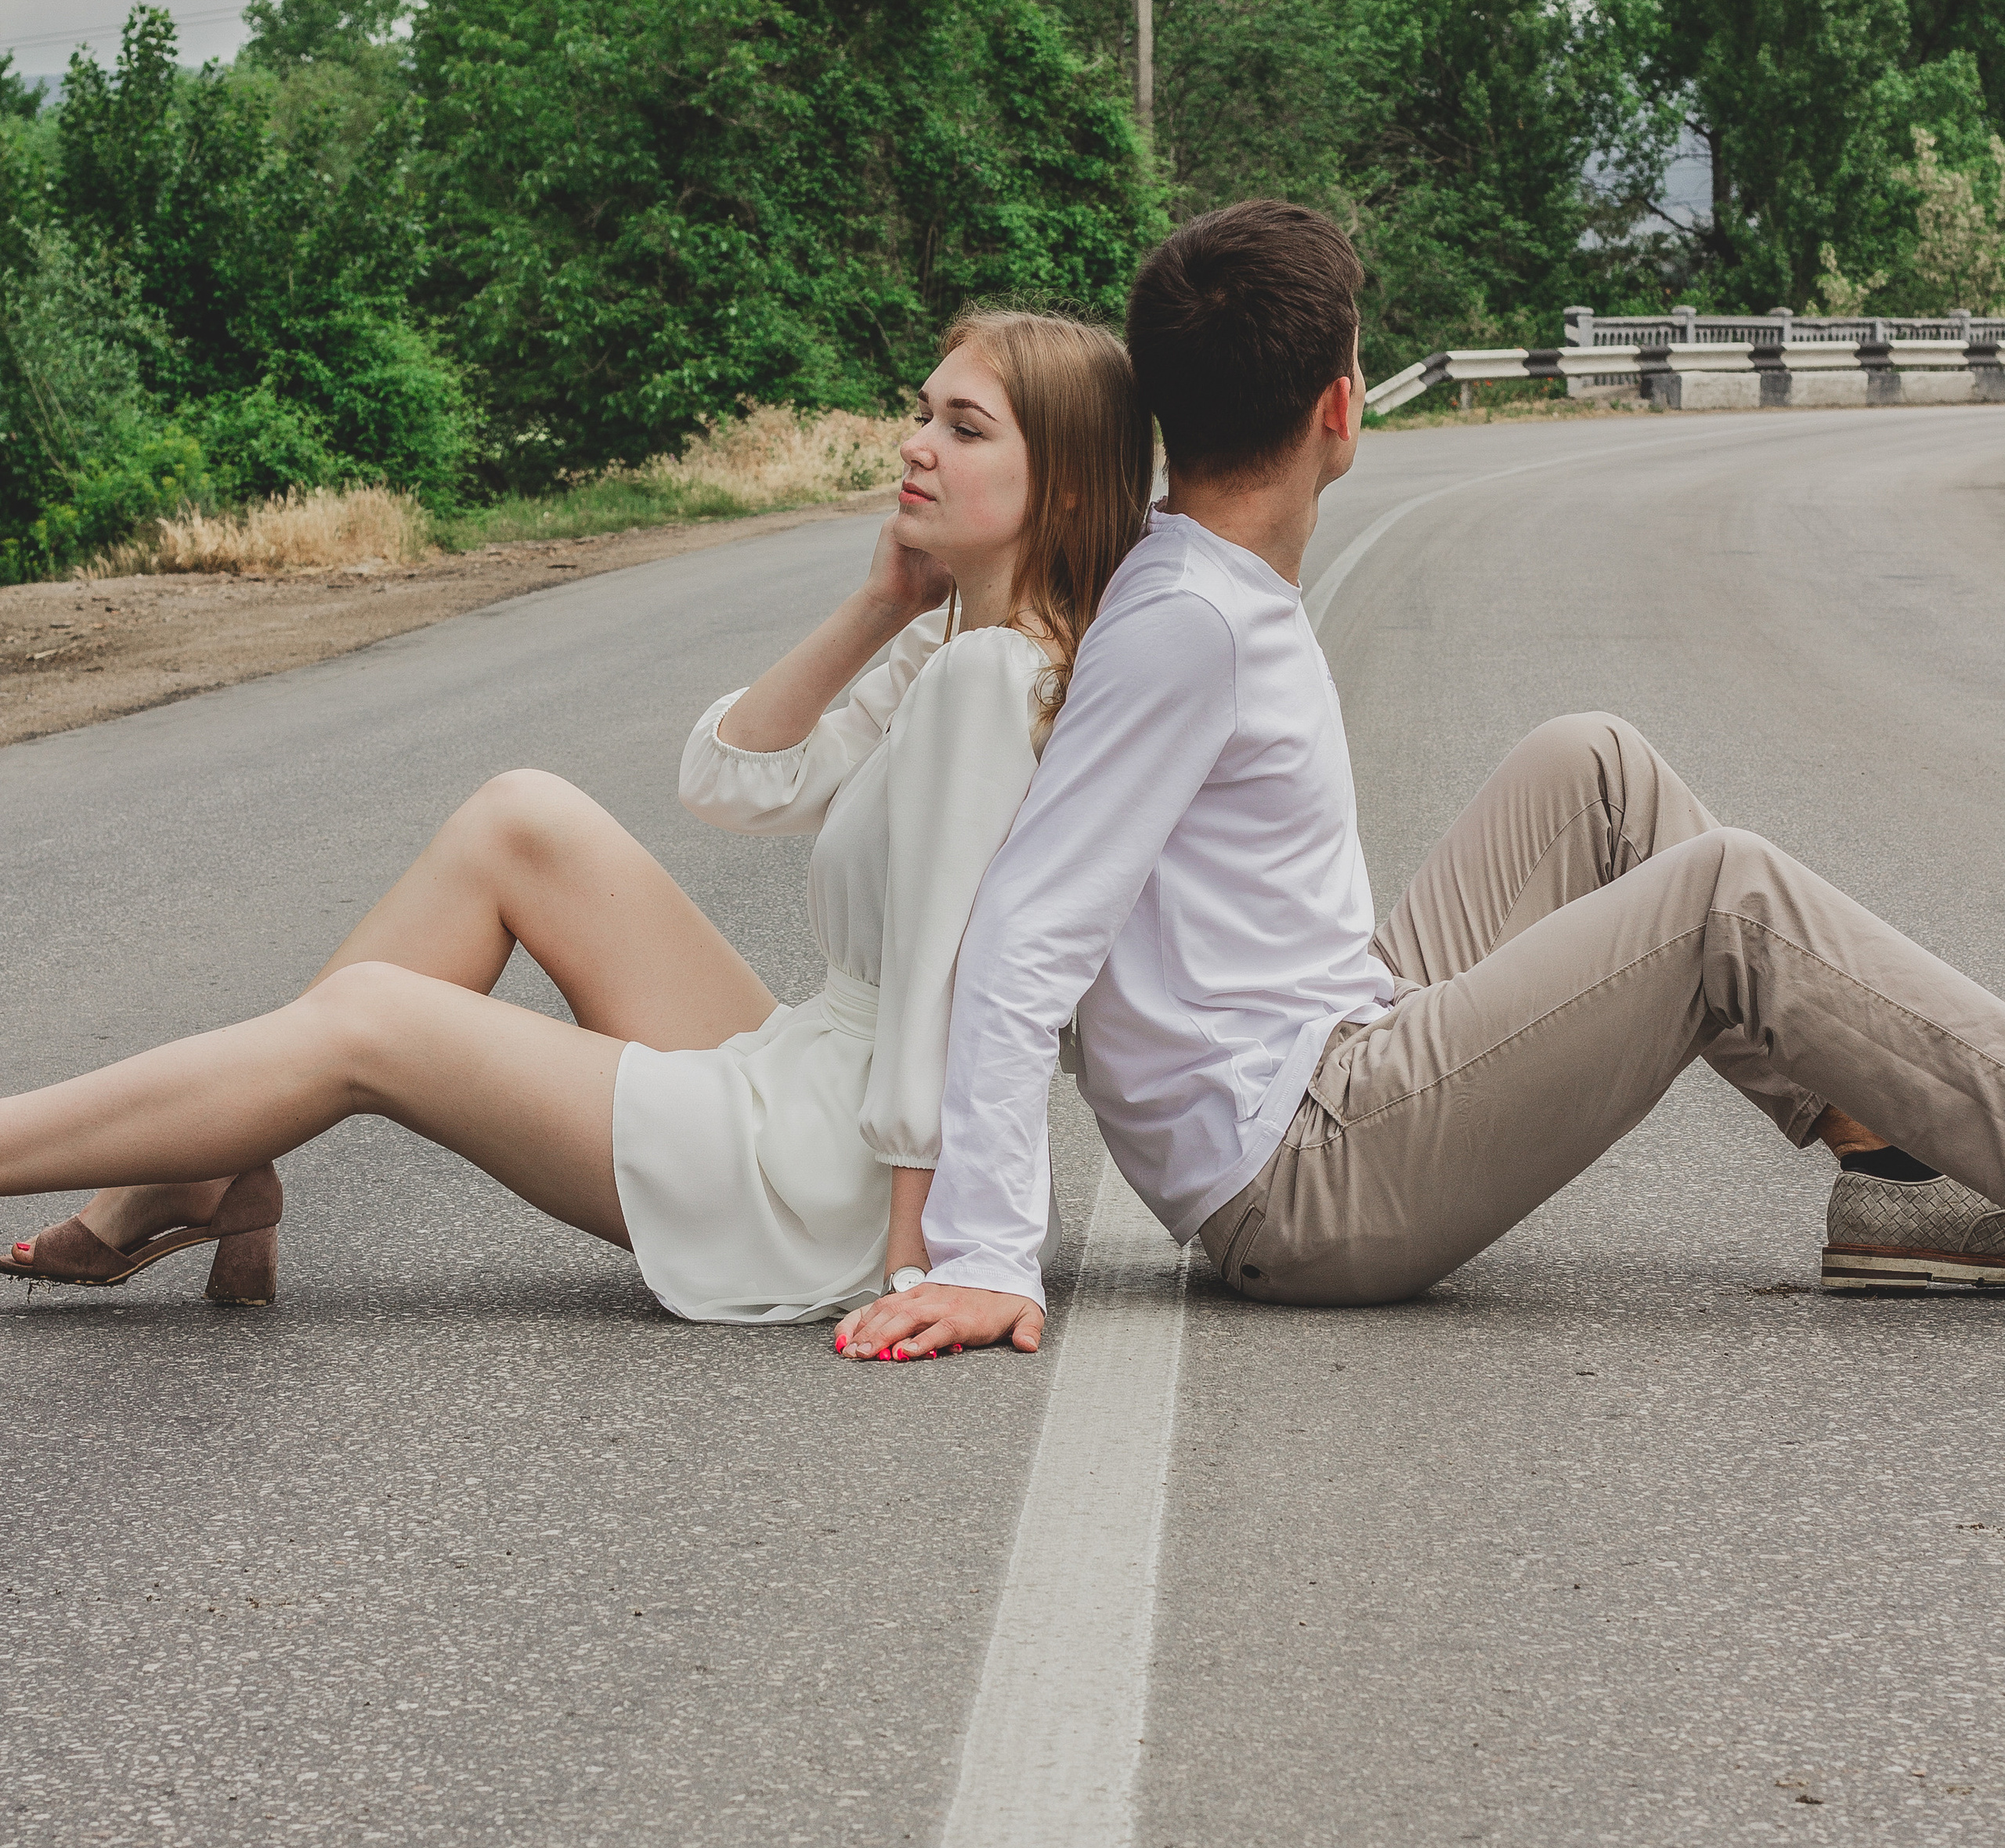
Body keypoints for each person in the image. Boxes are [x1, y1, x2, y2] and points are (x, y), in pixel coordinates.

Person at [839, 200, 2005, 1364]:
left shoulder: (1196, 574)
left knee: (1593, 767)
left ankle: (1892, 1167)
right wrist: (985, 1252)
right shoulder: (1190, 622)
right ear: (1340, 408)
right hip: (1300, 1177)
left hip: (1339, 1044)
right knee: (1723, 896)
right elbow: (1023, 934)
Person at [2, 312, 1153, 1324]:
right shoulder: (951, 643)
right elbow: (731, 781)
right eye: (923, 413)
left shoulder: (988, 681)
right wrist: (880, 602)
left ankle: (175, 1156)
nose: (916, 444)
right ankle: (206, 1162)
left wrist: (910, 1254)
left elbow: (948, 990)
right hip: (817, 1079)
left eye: (965, 428)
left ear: (1061, 488)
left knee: (371, 1020)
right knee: (523, 818)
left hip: (835, 1179)